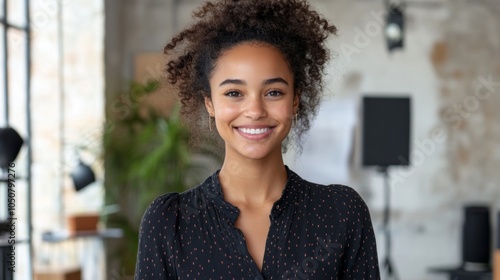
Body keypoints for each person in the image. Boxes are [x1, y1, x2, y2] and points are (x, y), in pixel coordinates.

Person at [135, 0, 380, 279]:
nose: (255, 111)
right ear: (209, 103)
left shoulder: (341, 213)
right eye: (234, 93)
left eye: (273, 92)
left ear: (295, 99)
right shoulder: (170, 222)